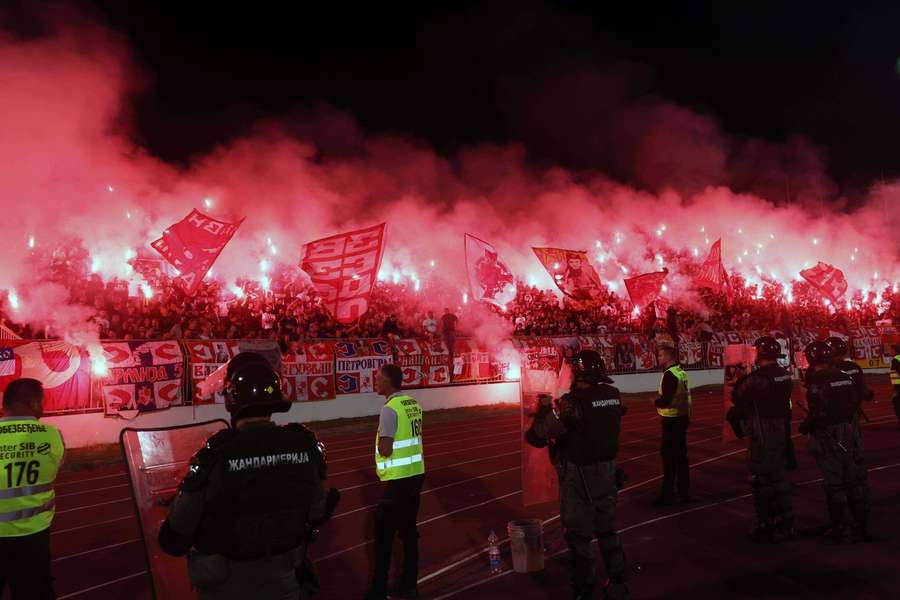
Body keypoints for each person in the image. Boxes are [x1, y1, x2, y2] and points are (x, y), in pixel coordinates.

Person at [158, 353, 339, 599]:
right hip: (286, 582)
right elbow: (317, 513)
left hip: (228, 587)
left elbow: (173, 538)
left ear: (231, 398)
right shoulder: (306, 444)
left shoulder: (215, 455)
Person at [525, 350, 629, 600]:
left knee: (578, 536)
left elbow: (536, 436)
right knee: (607, 531)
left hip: (579, 477)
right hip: (607, 472)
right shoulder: (612, 396)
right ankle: (618, 585)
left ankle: (584, 590)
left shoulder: (572, 403)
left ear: (579, 373)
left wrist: (542, 410)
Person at [0, 378, 65, 600]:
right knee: (35, 593)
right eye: (41, 402)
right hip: (34, 536)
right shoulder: (52, 434)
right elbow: (57, 466)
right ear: (33, 403)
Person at [726, 337, 796, 542]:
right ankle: (786, 522)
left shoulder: (758, 378)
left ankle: (770, 523)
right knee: (779, 476)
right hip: (780, 428)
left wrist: (740, 378)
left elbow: (738, 396)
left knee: (763, 480)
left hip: (763, 431)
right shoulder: (784, 375)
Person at [799, 341, 869, 543]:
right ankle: (860, 523)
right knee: (852, 478)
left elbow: (818, 412)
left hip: (829, 434)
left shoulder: (817, 381)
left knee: (834, 483)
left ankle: (841, 526)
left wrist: (807, 426)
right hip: (850, 430)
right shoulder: (845, 377)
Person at [366, 364, 425, 600]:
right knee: (409, 531)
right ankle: (409, 583)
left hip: (399, 478)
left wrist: (379, 449)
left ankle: (378, 588)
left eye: (379, 378)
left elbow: (387, 448)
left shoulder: (389, 409)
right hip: (416, 473)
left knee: (383, 535)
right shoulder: (413, 404)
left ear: (389, 382)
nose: (375, 381)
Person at [653, 344, 691, 506]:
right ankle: (684, 492)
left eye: (661, 356)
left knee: (669, 459)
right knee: (681, 458)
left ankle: (667, 495)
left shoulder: (669, 375)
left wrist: (655, 401)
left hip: (672, 421)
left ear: (668, 357)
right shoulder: (680, 372)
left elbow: (666, 400)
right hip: (682, 418)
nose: (658, 358)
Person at [825, 336, 874, 419]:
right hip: (853, 410)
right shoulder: (854, 366)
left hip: (832, 414)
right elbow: (863, 388)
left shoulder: (826, 371)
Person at [888, 343, 900, 427]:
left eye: (890, 350)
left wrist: (896, 389)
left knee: (897, 405)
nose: (889, 351)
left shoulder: (895, 360)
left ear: (894, 350)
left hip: (899, 386)